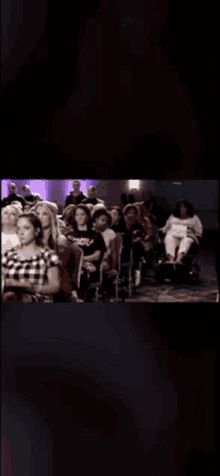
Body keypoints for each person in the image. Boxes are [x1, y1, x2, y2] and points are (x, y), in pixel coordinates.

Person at [2, 212, 60, 302]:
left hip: (36, 299)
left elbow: (55, 286)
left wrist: (33, 287)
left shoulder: (47, 255)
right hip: (9, 296)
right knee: (9, 296)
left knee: (19, 298)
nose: (21, 233)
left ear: (37, 231)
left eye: (26, 228)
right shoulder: (9, 254)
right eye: (18, 229)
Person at [32, 201, 83, 302]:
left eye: (44, 214)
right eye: (37, 214)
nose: (40, 217)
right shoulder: (30, 239)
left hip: (56, 289)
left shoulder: (60, 242)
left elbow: (59, 272)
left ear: (51, 217)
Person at [64, 204, 106, 301]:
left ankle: (80, 299)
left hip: (90, 265)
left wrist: (80, 260)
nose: (80, 217)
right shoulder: (69, 235)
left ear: (87, 216)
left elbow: (97, 256)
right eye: (77, 215)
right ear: (74, 217)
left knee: (81, 273)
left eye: (82, 214)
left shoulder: (96, 235)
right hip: (73, 265)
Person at [159, 199, 203, 263]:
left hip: (187, 235)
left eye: (184, 207)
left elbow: (199, 231)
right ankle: (171, 259)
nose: (182, 208)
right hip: (173, 234)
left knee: (186, 240)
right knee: (168, 239)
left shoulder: (194, 218)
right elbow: (166, 228)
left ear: (188, 208)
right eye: (180, 207)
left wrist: (192, 232)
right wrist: (160, 229)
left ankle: (178, 259)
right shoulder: (172, 217)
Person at [123, 204, 147, 286]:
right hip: (123, 247)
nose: (131, 214)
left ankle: (137, 271)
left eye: (133, 213)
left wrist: (133, 241)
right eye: (129, 212)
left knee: (137, 246)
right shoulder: (121, 226)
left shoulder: (138, 226)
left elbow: (141, 237)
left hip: (135, 246)